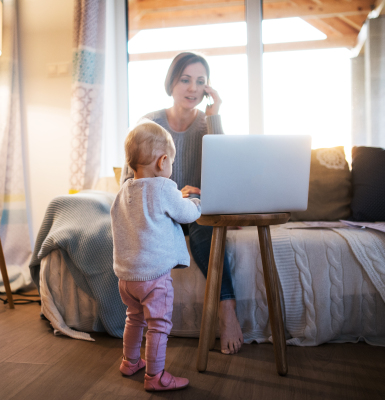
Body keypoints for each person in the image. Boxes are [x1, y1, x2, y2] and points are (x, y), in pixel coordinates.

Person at [121, 52, 244, 355]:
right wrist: (171, 194)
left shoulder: (207, 123)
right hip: (157, 212)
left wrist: (215, 116)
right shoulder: (149, 123)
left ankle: (227, 309)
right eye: (185, 79)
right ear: (172, 83)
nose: (193, 88)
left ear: (208, 88)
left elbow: (227, 175)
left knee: (203, 225)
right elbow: (128, 182)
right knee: (192, 217)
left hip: (194, 211)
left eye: (200, 81)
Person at [111, 121, 200, 392]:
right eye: (171, 162)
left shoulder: (123, 190)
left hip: (127, 277)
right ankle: (156, 376)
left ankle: (130, 362)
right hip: (154, 277)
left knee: (134, 317)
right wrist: (196, 201)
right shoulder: (163, 188)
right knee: (159, 325)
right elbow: (187, 214)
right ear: (162, 162)